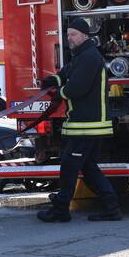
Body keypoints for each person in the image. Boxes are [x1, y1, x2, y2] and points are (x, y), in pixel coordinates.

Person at [37, 18, 120, 222]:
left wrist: (59, 93)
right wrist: (51, 81)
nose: (69, 38)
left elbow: (77, 87)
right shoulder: (81, 56)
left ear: (85, 35)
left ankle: (61, 210)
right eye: (68, 35)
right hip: (87, 124)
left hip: (87, 124)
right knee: (88, 167)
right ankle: (112, 208)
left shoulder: (90, 57)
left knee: (69, 165)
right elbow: (66, 74)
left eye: (73, 34)